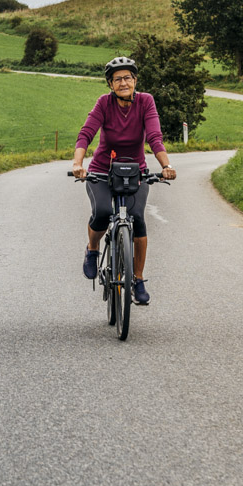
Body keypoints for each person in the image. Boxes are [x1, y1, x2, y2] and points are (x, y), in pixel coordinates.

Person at [71, 56, 176, 306]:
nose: (123, 82)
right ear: (110, 84)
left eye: (127, 77)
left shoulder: (146, 101)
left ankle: (138, 279)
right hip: (102, 171)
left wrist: (166, 166)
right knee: (102, 213)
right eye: (117, 79)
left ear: (135, 80)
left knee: (137, 218)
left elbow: (154, 137)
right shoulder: (104, 104)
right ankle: (93, 250)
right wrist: (78, 164)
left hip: (135, 172)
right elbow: (86, 134)